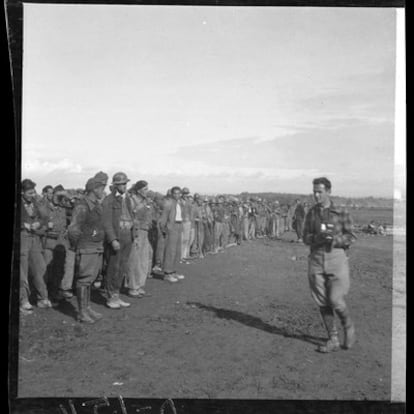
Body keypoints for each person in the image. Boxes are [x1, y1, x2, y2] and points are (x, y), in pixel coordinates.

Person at [303, 177, 356, 353]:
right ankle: (332, 338)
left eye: (320, 192)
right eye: (314, 192)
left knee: (336, 300)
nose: (316, 195)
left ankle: (348, 326)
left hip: (336, 258)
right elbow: (305, 237)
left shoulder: (341, 212)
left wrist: (336, 239)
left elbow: (351, 237)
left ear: (328, 192)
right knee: (322, 301)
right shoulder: (311, 213)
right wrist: (315, 238)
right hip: (316, 258)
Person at [67, 173, 108, 323]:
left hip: (96, 246)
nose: (103, 190)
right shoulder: (82, 206)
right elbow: (73, 230)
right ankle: (81, 312)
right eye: (102, 187)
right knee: (84, 279)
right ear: (94, 189)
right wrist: (77, 246)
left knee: (90, 279)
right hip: (86, 247)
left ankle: (87, 308)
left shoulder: (95, 205)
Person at [102, 172, 134, 309]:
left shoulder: (127, 199)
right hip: (117, 236)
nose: (124, 186)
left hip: (128, 236)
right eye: (121, 184)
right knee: (113, 267)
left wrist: (134, 234)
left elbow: (132, 216)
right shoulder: (109, 200)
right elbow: (106, 222)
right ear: (115, 185)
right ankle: (110, 297)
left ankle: (116, 294)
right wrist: (113, 239)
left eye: (125, 183)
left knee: (122, 267)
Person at [20, 179, 51, 314]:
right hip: (22, 238)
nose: (33, 195)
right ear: (22, 192)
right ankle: (23, 300)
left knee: (40, 267)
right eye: (30, 192)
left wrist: (38, 223)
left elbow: (44, 217)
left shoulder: (35, 203)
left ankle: (42, 297)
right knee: (22, 270)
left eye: (34, 192)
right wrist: (23, 225)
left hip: (34, 238)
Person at [41, 185, 76, 301]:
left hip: (61, 243)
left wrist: (69, 198)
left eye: (59, 196)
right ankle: (43, 295)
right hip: (49, 243)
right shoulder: (44, 207)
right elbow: (37, 222)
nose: (57, 198)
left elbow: (76, 210)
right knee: (47, 270)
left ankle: (54, 293)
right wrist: (46, 226)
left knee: (59, 269)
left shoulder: (62, 208)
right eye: (55, 195)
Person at [126, 180, 153, 298]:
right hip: (135, 232)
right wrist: (134, 235)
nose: (147, 191)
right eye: (145, 189)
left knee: (144, 259)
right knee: (134, 261)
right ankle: (133, 286)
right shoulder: (131, 200)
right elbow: (131, 217)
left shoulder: (146, 201)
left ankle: (140, 284)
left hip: (145, 232)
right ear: (138, 190)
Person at [159, 186, 185, 282]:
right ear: (172, 194)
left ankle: (173, 271)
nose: (177, 195)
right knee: (170, 251)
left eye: (179, 193)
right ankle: (167, 273)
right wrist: (164, 228)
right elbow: (164, 217)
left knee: (177, 251)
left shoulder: (179, 203)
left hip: (178, 226)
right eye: (175, 193)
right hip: (172, 227)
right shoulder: (169, 202)